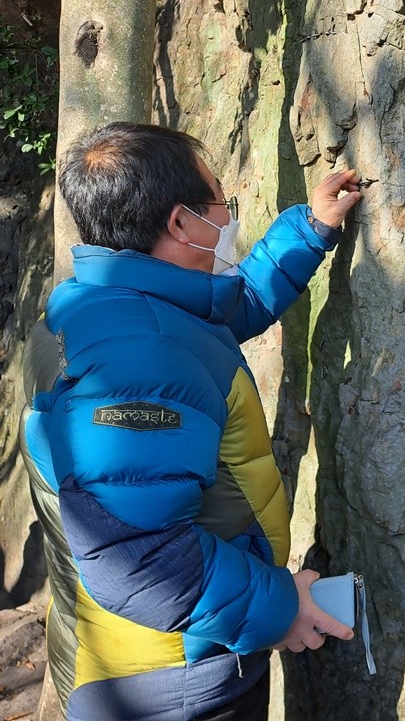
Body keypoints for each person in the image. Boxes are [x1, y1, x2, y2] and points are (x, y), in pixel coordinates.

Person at [19, 122, 361, 720]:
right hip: (174, 681)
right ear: (180, 223)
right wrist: (281, 608)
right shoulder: (139, 356)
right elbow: (141, 557)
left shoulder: (100, 309)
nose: (228, 220)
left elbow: (230, 308)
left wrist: (310, 228)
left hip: (154, 655)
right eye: (221, 206)